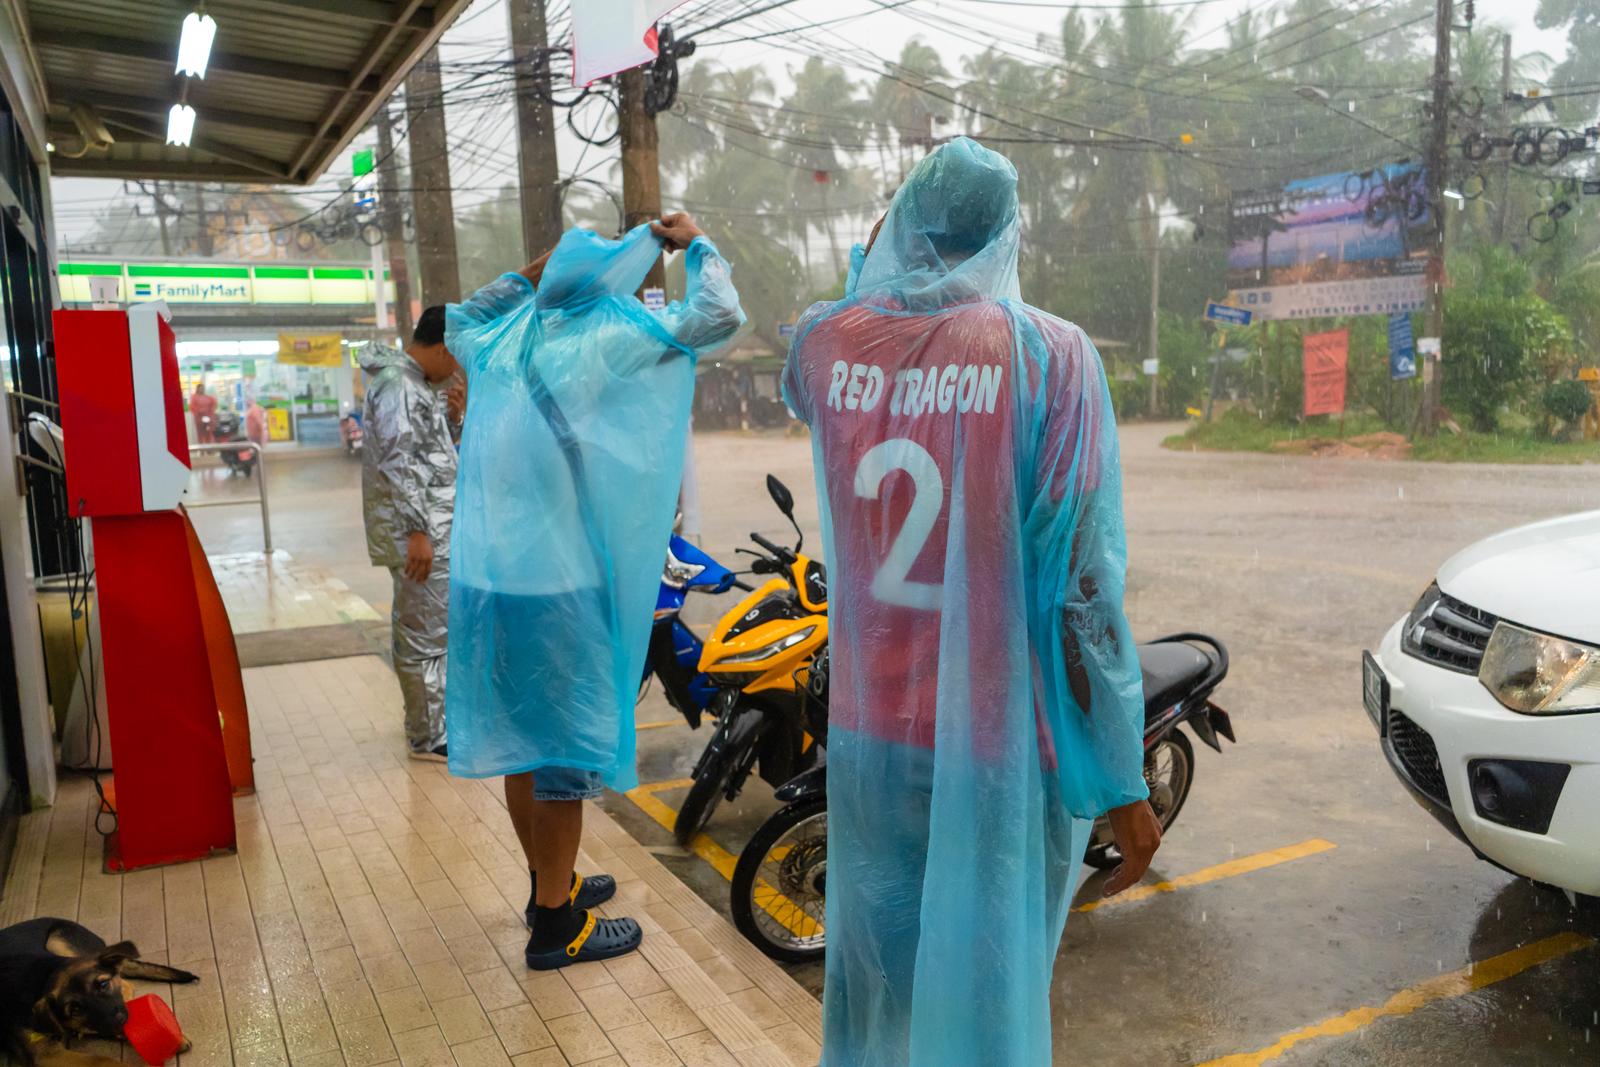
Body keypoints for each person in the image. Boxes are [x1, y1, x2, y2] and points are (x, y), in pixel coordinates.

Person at [782, 138, 1161, 1066]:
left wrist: (879, 261)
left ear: (904, 222)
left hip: (872, 740)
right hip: (994, 751)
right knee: (982, 1015)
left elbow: (820, 347)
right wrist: (1119, 779)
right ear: (1007, 234)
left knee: (883, 992)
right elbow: (1082, 592)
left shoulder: (830, 345)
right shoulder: (1050, 357)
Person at [444, 213, 743, 971]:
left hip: (494, 582)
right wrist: (695, 242)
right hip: (560, 587)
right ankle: (557, 922)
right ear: (606, 283)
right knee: (563, 756)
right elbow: (717, 315)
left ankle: (553, 881)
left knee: (522, 739)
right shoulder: (608, 338)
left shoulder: (501, 340)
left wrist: (530, 269)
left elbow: (456, 319)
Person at [359, 308, 463, 762]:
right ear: (442, 347)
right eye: (455, 359)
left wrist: (454, 422)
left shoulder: (413, 383)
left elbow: (430, 458)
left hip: (430, 529)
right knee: (422, 636)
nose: (455, 369)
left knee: (433, 632)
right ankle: (428, 737)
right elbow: (398, 462)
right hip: (420, 535)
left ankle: (432, 726)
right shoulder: (400, 386)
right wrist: (418, 531)